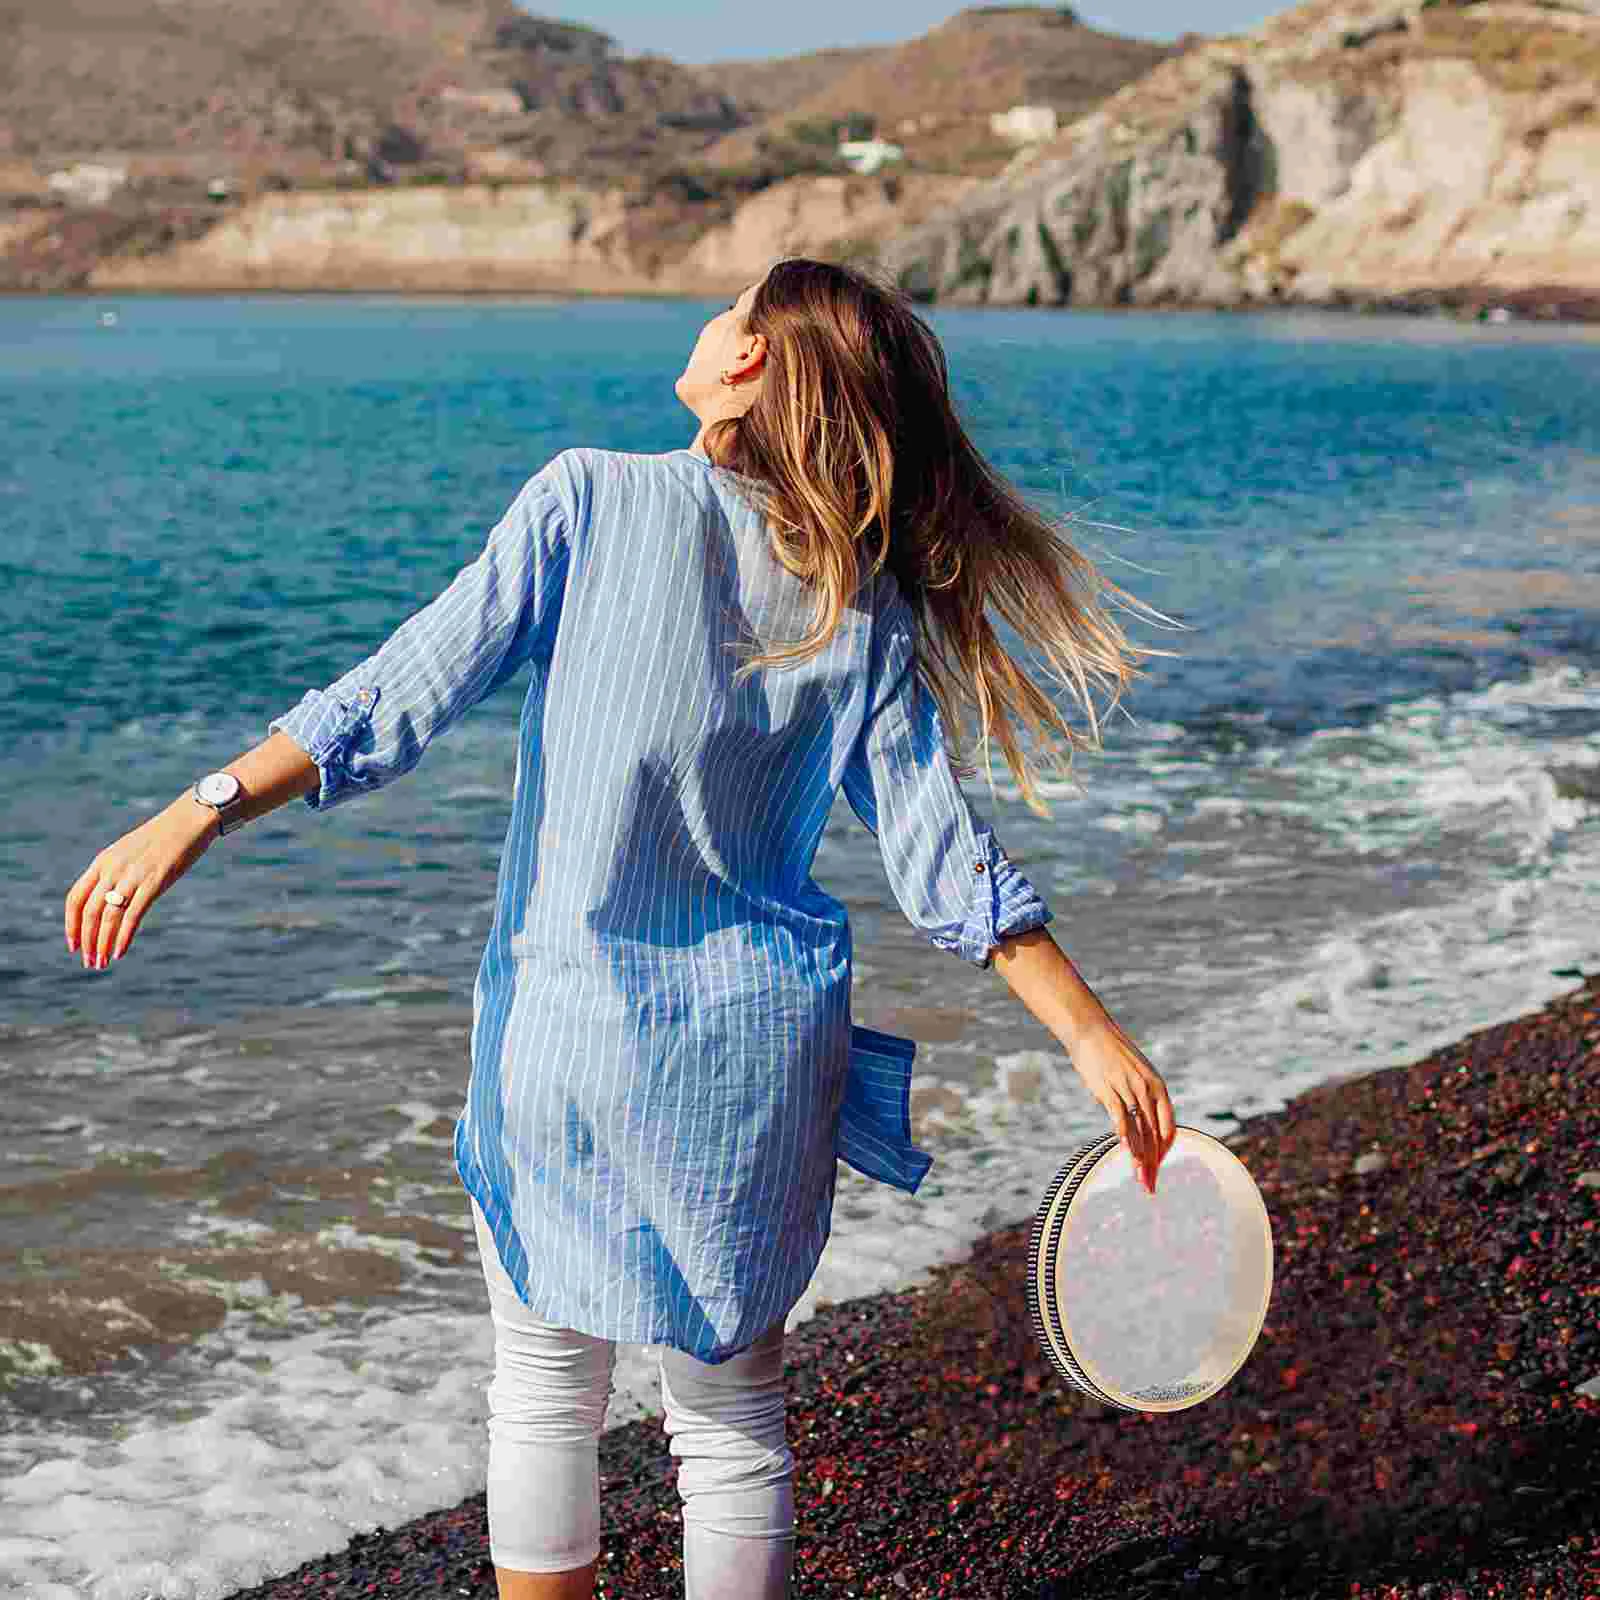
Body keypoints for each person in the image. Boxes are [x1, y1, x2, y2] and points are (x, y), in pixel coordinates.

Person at [64, 259, 1178, 1600]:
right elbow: (946, 865)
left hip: (568, 1040)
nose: (704, 329)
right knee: (731, 1427)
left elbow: (395, 694)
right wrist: (1094, 1038)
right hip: (754, 1068)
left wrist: (197, 811)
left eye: (727, 315)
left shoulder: (588, 496)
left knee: (543, 1390)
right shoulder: (863, 602)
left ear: (753, 365)